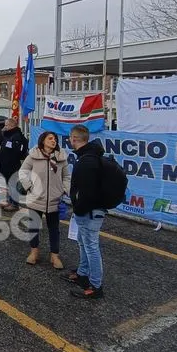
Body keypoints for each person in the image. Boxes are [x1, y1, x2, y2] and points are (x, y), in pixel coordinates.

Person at [65, 124, 107, 299]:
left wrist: (78, 209)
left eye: (70, 137)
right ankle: (82, 275)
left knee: (91, 247)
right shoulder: (89, 156)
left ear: (74, 138)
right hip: (90, 210)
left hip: (90, 211)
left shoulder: (86, 161)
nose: (69, 140)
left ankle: (95, 286)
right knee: (83, 242)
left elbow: (86, 192)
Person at [18, 130, 70, 268]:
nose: (53, 141)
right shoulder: (33, 155)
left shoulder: (61, 157)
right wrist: (29, 186)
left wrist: (64, 190)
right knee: (34, 227)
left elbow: (66, 176)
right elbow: (23, 172)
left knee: (54, 229)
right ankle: (34, 252)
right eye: (50, 138)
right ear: (43, 141)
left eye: (55, 139)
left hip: (54, 199)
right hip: (36, 198)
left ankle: (54, 255)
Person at [0, 117, 29, 213]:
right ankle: (10, 201)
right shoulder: (7, 135)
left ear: (12, 126)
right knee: (9, 184)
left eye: (6, 125)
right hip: (5, 164)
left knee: (13, 184)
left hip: (12, 165)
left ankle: (14, 204)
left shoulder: (16, 136)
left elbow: (17, 152)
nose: (5, 127)